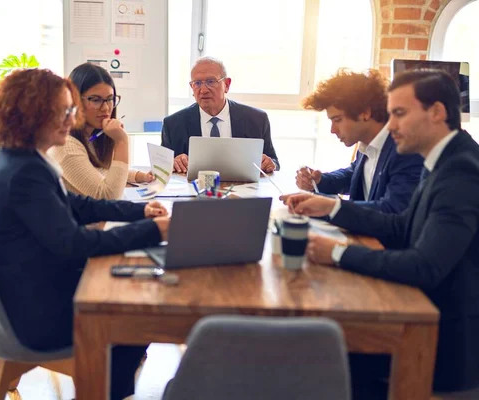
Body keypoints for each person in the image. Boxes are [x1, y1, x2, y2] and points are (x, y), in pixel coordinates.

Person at [281, 69, 479, 397]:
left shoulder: (460, 171)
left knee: (321, 352)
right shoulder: (444, 159)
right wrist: (330, 207)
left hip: (442, 341)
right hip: (422, 313)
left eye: (399, 114)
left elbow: (424, 267)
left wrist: (338, 253)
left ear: (437, 112)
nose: (393, 124)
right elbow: (402, 224)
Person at [0, 68, 170, 400]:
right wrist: (151, 231)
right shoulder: (26, 170)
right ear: (34, 115)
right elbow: (74, 243)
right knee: (138, 315)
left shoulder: (22, 158)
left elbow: (79, 204)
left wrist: (139, 211)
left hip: (32, 288)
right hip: (37, 313)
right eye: (65, 111)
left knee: (135, 290)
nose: (73, 118)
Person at [297, 69, 423, 213]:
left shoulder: (406, 150)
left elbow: (393, 210)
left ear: (365, 113)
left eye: (337, 120)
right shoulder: (367, 143)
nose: (333, 130)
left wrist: (330, 206)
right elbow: (356, 174)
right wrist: (320, 181)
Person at [49, 63, 154, 200]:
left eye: (110, 99)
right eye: (95, 100)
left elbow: (102, 171)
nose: (105, 108)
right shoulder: (66, 145)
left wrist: (139, 176)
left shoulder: (93, 135)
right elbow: (108, 197)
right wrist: (121, 142)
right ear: (75, 100)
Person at [161, 56, 279, 173]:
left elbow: (274, 163)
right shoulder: (173, 124)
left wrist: (269, 163)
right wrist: (172, 163)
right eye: (197, 83)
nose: (203, 90)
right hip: (193, 189)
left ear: (226, 85)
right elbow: (161, 168)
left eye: (210, 82)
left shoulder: (256, 119)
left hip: (243, 189)